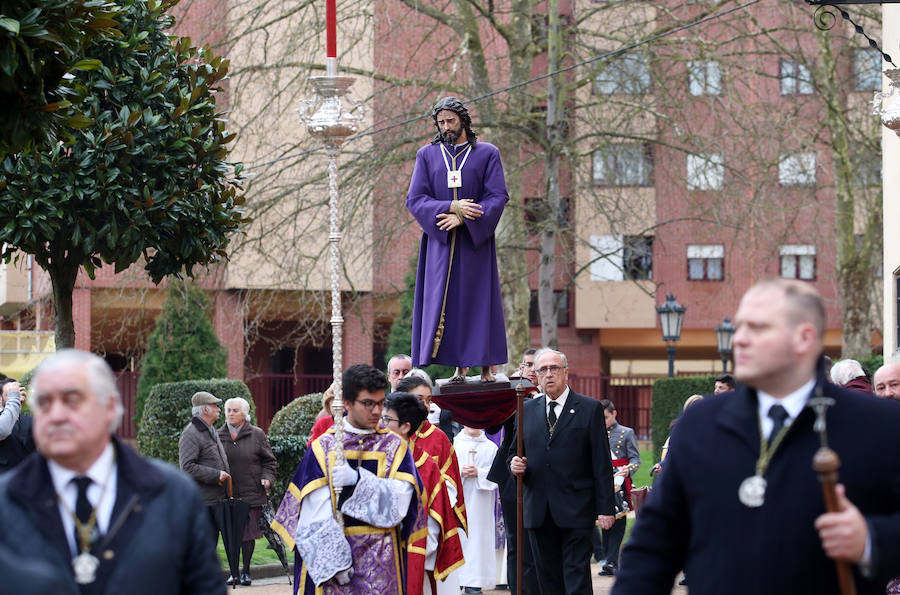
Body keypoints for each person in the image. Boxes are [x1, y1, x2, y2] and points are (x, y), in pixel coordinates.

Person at [613, 279, 900, 595]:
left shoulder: (880, 424)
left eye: (757, 328)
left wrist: (870, 541)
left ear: (803, 338)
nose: (740, 340)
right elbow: (654, 545)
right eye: (740, 327)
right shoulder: (700, 423)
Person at [0, 349, 222, 594]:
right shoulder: (6, 500)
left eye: (71, 400)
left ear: (109, 407)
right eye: (44, 403)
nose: (56, 415)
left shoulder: (173, 494)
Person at [271, 364, 423, 594]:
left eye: (381, 403)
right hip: (336, 565)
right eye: (368, 403)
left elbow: (400, 503)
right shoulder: (324, 448)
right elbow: (312, 513)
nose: (376, 411)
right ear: (348, 403)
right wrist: (333, 561)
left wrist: (358, 481)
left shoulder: (395, 447)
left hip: (382, 562)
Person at [406, 96, 509, 383]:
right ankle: (459, 368)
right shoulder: (427, 155)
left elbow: (498, 195)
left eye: (451, 120)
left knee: (478, 301)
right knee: (447, 302)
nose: (446, 126)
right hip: (440, 243)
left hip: (475, 243)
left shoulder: (487, 153)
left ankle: (487, 367)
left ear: (463, 120)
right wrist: (450, 208)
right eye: (441, 122)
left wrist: (465, 217)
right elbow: (415, 199)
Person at [508, 348, 616, 595]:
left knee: (576, 575)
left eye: (554, 368)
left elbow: (601, 462)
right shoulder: (526, 410)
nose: (548, 374)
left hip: (576, 507)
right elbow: (514, 452)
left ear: (566, 372)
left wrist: (605, 508)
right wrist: (514, 465)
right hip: (538, 509)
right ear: (535, 374)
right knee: (547, 578)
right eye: (542, 370)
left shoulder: (589, 409)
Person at [383, 393, 464, 595]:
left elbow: (434, 523)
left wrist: (414, 554)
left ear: (405, 426)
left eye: (387, 419)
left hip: (411, 559)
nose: (381, 424)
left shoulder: (425, 467)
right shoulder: (374, 457)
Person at [488, 348, 539, 595]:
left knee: (540, 538)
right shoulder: (512, 393)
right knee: (516, 540)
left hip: (545, 475)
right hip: (511, 475)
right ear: (521, 368)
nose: (531, 369)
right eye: (527, 364)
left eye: (536, 365)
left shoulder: (554, 396)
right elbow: (491, 427)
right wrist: (506, 398)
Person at [217, 396, 277, 586]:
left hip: (251, 492)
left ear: (244, 414)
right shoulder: (218, 435)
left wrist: (267, 478)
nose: (231, 414)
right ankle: (233, 572)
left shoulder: (257, 434)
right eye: (228, 410)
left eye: (235, 410)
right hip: (228, 493)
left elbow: (270, 461)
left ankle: (246, 571)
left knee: (247, 535)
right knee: (231, 534)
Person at [396, 374, 467, 531]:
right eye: (419, 399)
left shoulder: (438, 437)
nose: (426, 406)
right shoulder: (389, 434)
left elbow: (450, 481)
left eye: (428, 400)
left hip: (430, 518)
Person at [595, 399, 641, 577]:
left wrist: (625, 472)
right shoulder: (595, 432)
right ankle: (608, 559)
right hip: (601, 481)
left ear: (614, 414)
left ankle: (612, 560)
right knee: (603, 523)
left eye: (606, 417)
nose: (603, 421)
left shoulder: (626, 433)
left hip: (619, 484)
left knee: (619, 522)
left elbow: (636, 460)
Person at [178, 390, 231, 543]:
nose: (219, 409)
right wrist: (216, 475)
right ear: (205, 409)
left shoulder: (210, 429)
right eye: (215, 406)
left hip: (216, 500)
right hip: (204, 502)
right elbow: (187, 467)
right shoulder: (191, 433)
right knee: (204, 546)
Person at [454, 426, 500, 594]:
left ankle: (475, 583)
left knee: (478, 540)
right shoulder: (453, 444)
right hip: (458, 502)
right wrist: (460, 471)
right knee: (458, 538)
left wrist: (479, 473)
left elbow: (497, 474)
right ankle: (455, 582)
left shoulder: (491, 447)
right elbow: (444, 471)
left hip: (481, 502)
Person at [0, 378, 34, 472]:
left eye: (18, 392)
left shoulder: (32, 420)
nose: (16, 396)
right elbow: (3, 429)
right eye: (9, 394)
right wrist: (14, 399)